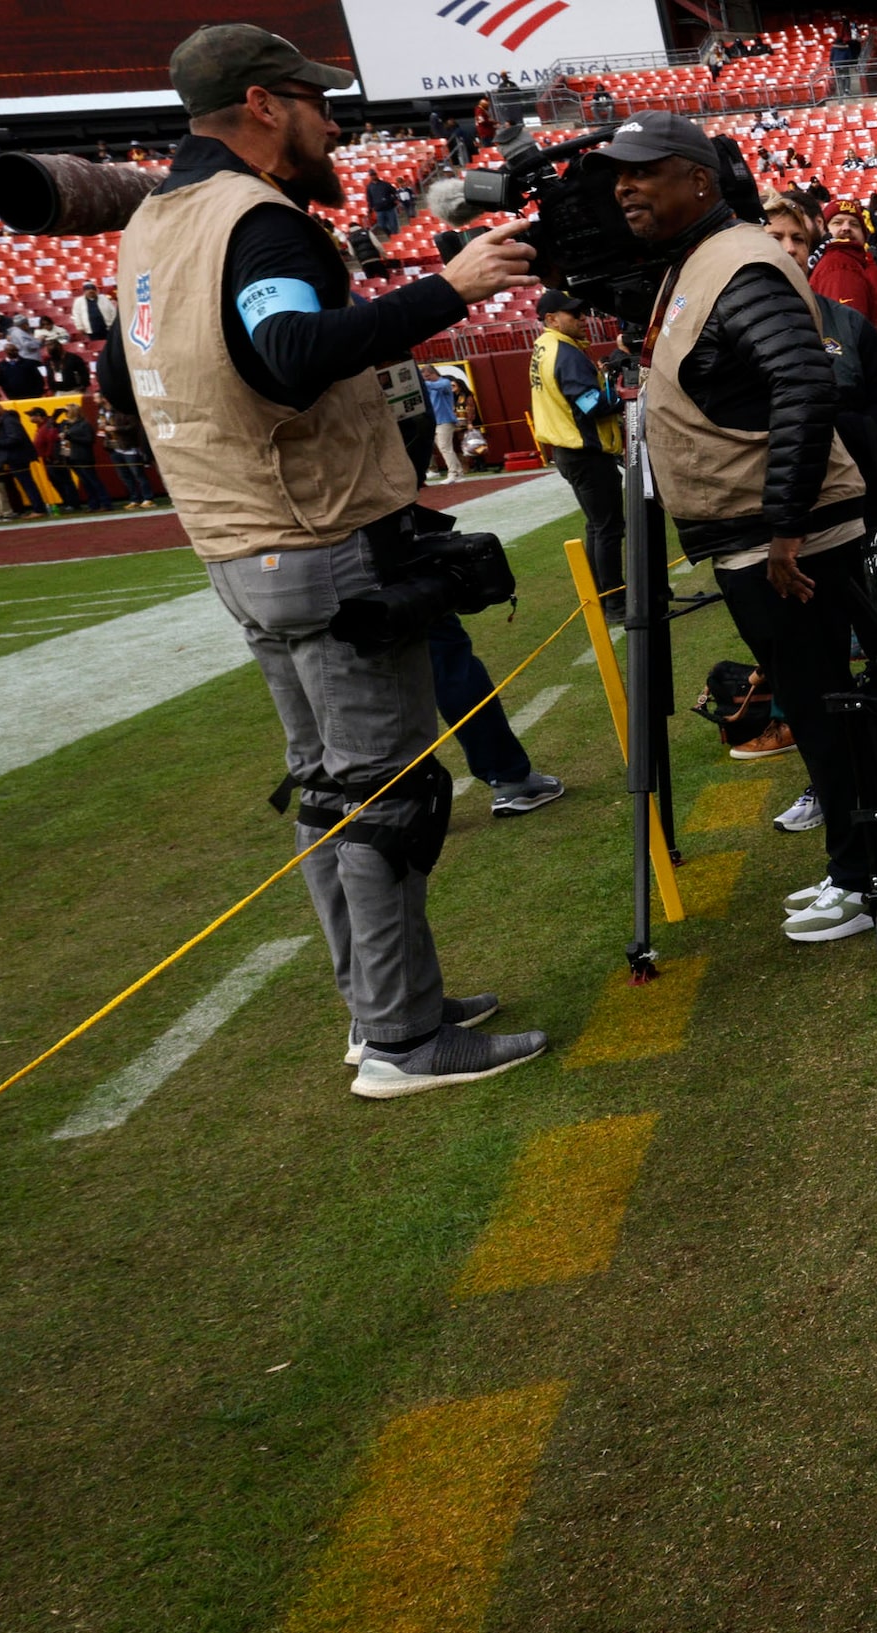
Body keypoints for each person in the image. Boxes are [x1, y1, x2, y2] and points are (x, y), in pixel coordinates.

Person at [103, 23, 552, 1096]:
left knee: (325, 793)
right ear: (264, 105)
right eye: (313, 100)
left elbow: (131, 393)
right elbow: (293, 355)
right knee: (386, 796)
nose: (331, 121)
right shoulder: (262, 222)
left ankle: (377, 1014)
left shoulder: (153, 225)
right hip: (315, 538)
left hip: (235, 542)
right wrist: (453, 287)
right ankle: (401, 1042)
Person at [590, 110, 877, 946]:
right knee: (816, 699)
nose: (625, 186)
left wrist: (787, 528)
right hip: (760, 527)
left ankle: (867, 873)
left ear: (698, 178)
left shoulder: (740, 261)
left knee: (822, 704)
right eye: (620, 173)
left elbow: (802, 381)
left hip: (781, 536)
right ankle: (860, 860)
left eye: (644, 171)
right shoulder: (701, 258)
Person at [763, 193, 877, 521]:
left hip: (859, 499)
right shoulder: (721, 324)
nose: (790, 248)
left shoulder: (846, 322)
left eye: (798, 239)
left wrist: (844, 435)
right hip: (767, 514)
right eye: (776, 237)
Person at [529, 289, 629, 623]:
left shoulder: (546, 346)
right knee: (608, 528)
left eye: (582, 313)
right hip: (584, 452)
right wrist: (623, 392)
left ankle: (601, 596)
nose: (583, 319)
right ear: (551, 319)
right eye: (574, 314)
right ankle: (614, 602)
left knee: (599, 527)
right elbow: (592, 406)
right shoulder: (565, 352)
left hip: (569, 451)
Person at [807, 205, 877, 324]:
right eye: (837, 223)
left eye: (854, 224)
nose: (846, 228)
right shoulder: (831, 265)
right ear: (824, 229)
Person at [422, 365, 467, 481]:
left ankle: (452, 473)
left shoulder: (445, 382)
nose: (426, 379)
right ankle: (459, 472)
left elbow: (435, 386)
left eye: (427, 376)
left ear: (433, 373)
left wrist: (421, 382)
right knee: (445, 448)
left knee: (445, 448)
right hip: (435, 421)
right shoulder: (431, 385)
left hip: (445, 420)